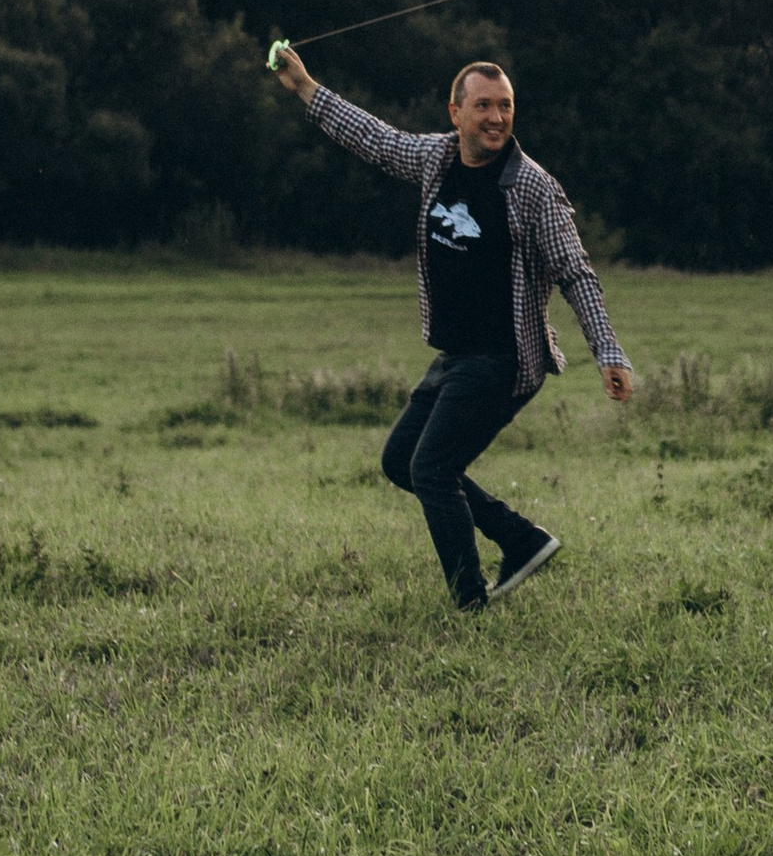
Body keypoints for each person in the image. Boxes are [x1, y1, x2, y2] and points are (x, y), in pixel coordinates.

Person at [269, 45, 632, 609]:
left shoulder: (531, 188)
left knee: (433, 468)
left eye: (506, 106)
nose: (496, 117)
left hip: (505, 357)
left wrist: (609, 352)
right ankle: (522, 539)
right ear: (455, 113)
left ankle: (470, 599)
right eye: (483, 105)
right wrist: (305, 88)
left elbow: (575, 273)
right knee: (401, 462)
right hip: (458, 354)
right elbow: (373, 137)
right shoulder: (435, 160)